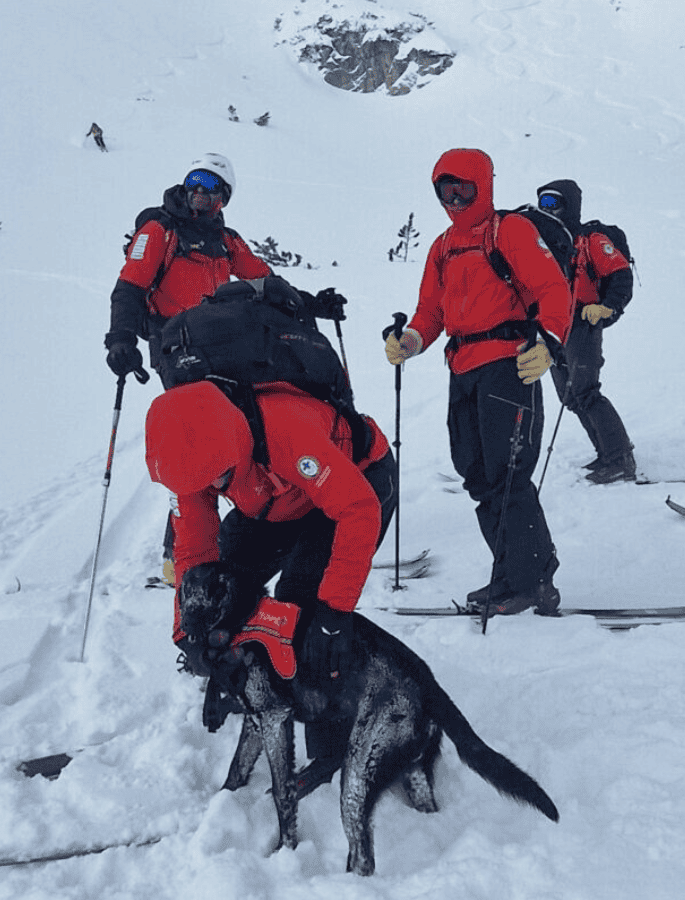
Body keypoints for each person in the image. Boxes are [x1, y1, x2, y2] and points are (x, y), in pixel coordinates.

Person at [144, 377, 396, 763]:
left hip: (356, 482)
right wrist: (189, 626)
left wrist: (335, 611)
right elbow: (195, 549)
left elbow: (358, 509)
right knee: (224, 589)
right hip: (275, 499)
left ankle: (329, 736)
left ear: (231, 444)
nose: (211, 486)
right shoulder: (194, 459)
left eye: (217, 476)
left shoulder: (288, 430)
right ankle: (242, 683)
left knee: (302, 602)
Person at [383, 149, 574, 616]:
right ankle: (513, 573)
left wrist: (548, 342)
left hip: (510, 364)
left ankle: (530, 579)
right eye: (444, 190)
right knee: (477, 474)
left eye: (462, 188)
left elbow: (553, 289)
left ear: (482, 187)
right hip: (463, 368)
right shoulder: (443, 246)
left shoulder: (509, 231)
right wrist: (409, 339)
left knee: (509, 474)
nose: (453, 198)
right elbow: (431, 310)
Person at [104, 153, 272, 584]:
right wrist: (120, 340)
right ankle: (180, 554)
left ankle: (220, 537)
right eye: (195, 180)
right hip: (173, 346)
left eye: (212, 185)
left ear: (224, 198)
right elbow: (129, 287)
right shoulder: (160, 230)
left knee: (241, 431)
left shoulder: (225, 240)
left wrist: (306, 303)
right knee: (198, 438)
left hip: (217, 346)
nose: (201, 190)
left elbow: (261, 281)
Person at [534, 179, 638, 484]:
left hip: (582, 323)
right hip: (553, 325)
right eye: (543, 203)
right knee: (569, 396)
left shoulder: (589, 240)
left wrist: (608, 307)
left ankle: (619, 458)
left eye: (553, 203)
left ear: (570, 205)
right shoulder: (543, 241)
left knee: (585, 391)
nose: (547, 210)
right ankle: (606, 453)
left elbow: (620, 275)